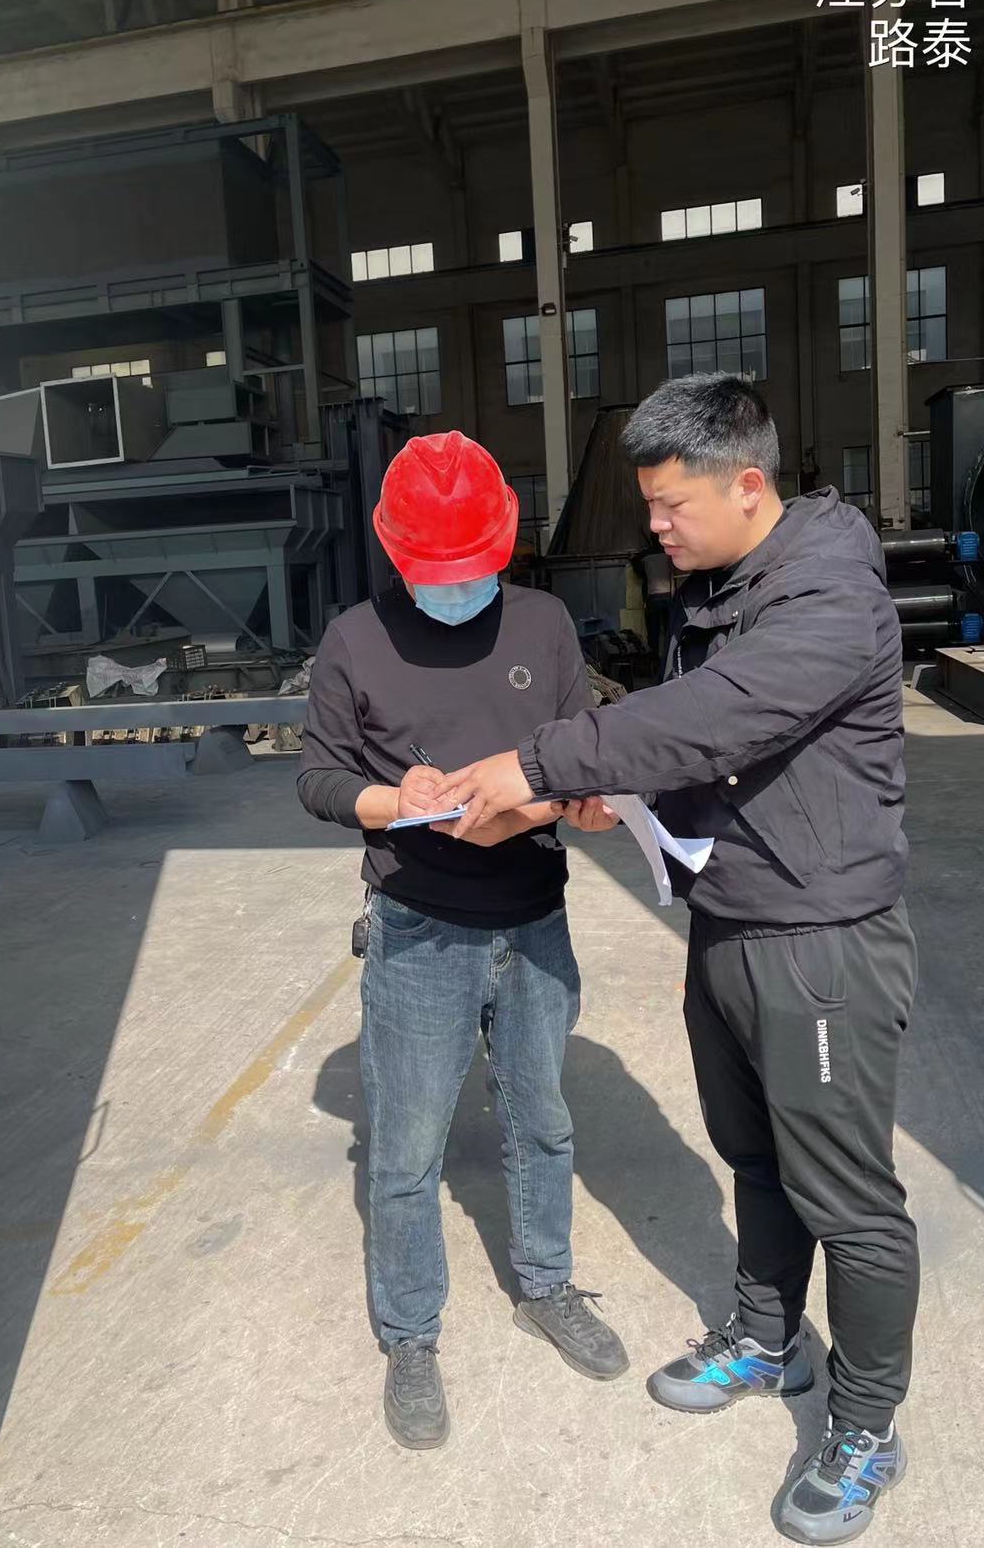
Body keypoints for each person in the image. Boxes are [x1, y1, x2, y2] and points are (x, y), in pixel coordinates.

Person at [439, 375, 917, 1544]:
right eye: (646, 503)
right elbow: (693, 745)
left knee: (847, 1200)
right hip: (729, 915)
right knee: (752, 1154)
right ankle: (766, 1337)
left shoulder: (826, 594)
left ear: (745, 484)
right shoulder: (717, 585)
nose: (651, 525)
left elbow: (721, 715)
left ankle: (865, 1425)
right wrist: (614, 790)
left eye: (668, 504)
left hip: (817, 938)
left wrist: (541, 761)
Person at [296, 430, 628, 1452]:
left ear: (504, 545)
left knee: (542, 1120)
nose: (455, 592)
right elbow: (317, 778)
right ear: (394, 550)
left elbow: (578, 755)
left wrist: (561, 807)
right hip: (417, 926)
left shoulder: (542, 624)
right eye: (436, 575)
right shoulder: (355, 640)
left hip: (532, 919)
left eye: (470, 570)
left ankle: (546, 1285)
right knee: (405, 1148)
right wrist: (396, 800)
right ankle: (410, 1335)